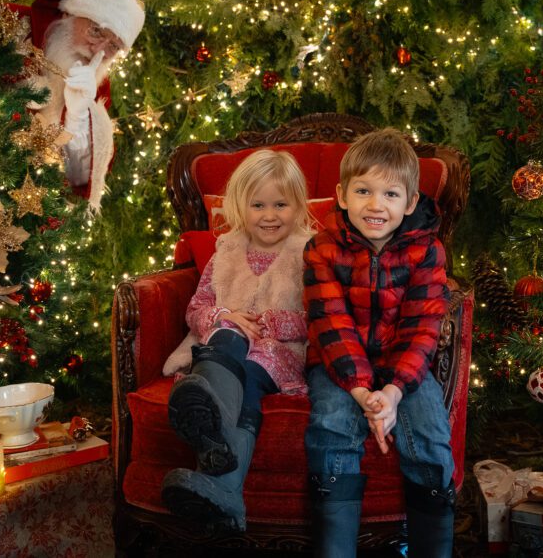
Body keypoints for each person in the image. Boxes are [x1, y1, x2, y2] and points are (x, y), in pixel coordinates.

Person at [303, 128, 454, 558]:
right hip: (339, 365)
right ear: (342, 195)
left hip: (403, 366)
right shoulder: (321, 249)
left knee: (429, 432)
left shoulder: (428, 251)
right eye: (364, 191)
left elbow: (423, 328)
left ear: (409, 203)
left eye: (390, 194)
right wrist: (361, 391)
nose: (375, 205)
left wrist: (391, 392)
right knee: (331, 424)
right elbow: (330, 323)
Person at [161, 149, 314, 532]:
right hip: (223, 348)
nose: (269, 215)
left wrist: (272, 322)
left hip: (276, 353)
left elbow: (321, 317)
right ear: (240, 207)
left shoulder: (309, 254)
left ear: (298, 206)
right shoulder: (225, 251)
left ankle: (212, 440)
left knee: (249, 367)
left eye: (281, 204)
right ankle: (225, 486)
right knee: (227, 341)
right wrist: (223, 316)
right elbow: (196, 308)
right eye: (258, 204)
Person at [12, 0, 145, 212]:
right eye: (96, 31)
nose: (98, 51)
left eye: (113, 46)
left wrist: (77, 116)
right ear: (68, 15)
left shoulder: (97, 86)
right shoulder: (12, 25)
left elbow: (78, 183)